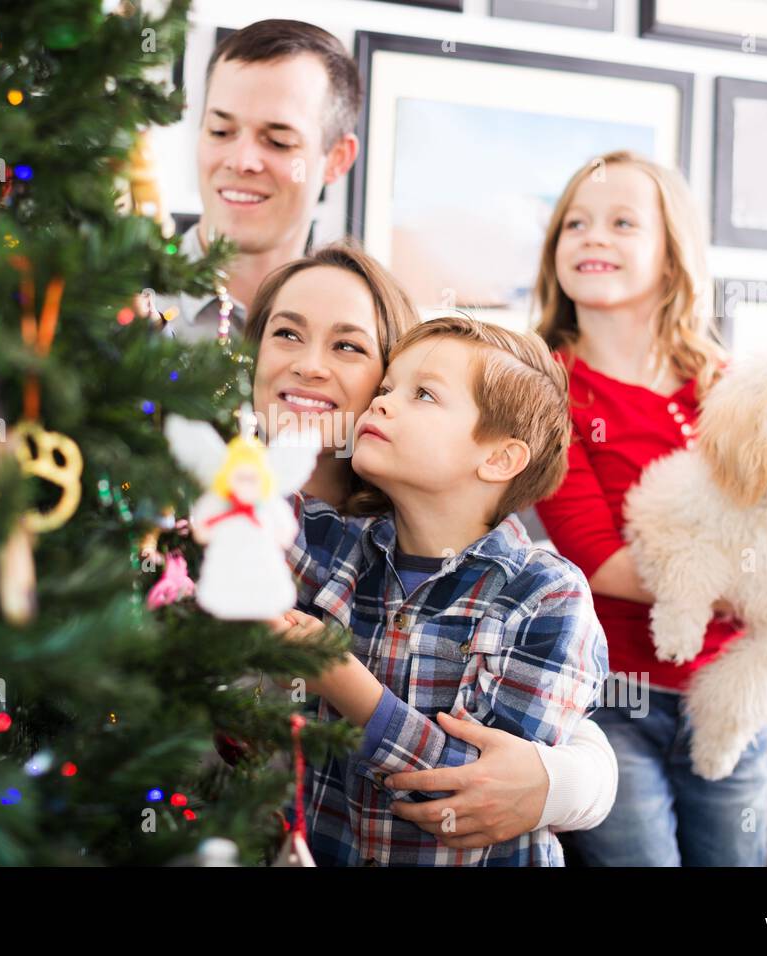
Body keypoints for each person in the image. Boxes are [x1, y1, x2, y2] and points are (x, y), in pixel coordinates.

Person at [247, 243, 618, 852]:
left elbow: (479, 788)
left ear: (499, 457)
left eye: (421, 394)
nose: (385, 402)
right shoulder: (340, 548)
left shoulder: (543, 595)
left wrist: (343, 681)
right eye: (286, 334)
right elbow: (243, 513)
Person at [531, 150, 767, 866]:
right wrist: (761, 588)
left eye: (622, 222)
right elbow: (602, 561)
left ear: (671, 258)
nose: (593, 237)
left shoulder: (726, 387)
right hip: (608, 702)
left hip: (731, 695)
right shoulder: (546, 387)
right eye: (576, 223)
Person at [153, 19, 361, 340]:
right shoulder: (115, 304)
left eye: (278, 141)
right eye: (220, 131)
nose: (241, 161)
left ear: (337, 158)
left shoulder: (358, 336)